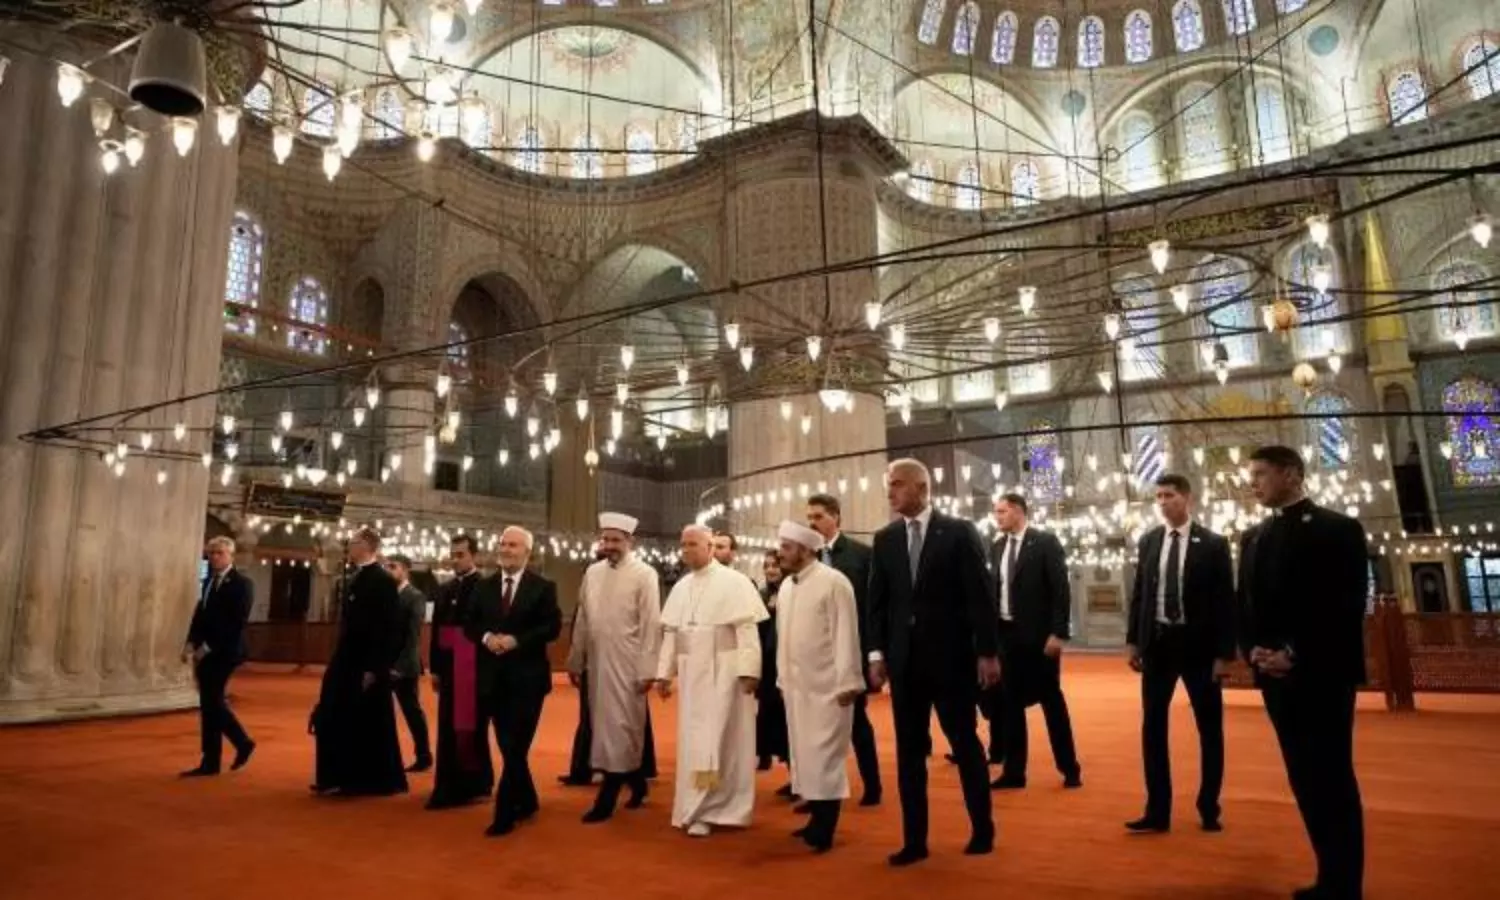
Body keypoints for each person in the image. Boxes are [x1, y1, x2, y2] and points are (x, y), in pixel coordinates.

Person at [1240, 446, 1368, 900]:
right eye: (1249, 475)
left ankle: (1345, 884)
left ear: (1292, 474)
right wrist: (1252, 648)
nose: (1251, 482)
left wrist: (1294, 652)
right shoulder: (1253, 537)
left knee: (1332, 775)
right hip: (1274, 678)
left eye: (1260, 474)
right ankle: (1327, 877)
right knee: (1303, 778)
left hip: (1321, 675)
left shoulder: (1338, 529)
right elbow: (1247, 605)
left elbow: (1344, 607)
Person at [867, 458, 1000, 867]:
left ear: (921, 488)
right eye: (889, 485)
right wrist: (876, 654)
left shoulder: (958, 532)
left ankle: (982, 829)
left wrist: (988, 652)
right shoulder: (885, 539)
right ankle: (914, 841)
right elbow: (877, 604)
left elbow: (980, 595)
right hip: (905, 665)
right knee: (909, 754)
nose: (889, 492)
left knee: (964, 743)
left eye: (896, 485)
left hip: (952, 660)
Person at [1125, 474, 1235, 834]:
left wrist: (1223, 654)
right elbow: (1140, 593)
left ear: (1186, 497)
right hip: (1158, 644)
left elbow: (1224, 603)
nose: (1162, 502)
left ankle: (1208, 806)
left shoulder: (1213, 544)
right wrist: (1134, 641)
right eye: (1158, 496)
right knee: (1152, 727)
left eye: (1169, 495)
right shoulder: (1149, 541)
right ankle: (1157, 810)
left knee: (1209, 729)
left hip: (1199, 648)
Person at [655, 524, 767, 838]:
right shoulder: (681, 586)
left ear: (709, 546)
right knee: (696, 744)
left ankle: (715, 808)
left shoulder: (735, 583)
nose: (686, 550)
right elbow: (672, 634)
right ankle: (695, 804)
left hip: (725, 675)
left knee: (719, 743)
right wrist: (664, 673)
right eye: (683, 544)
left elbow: (747, 632)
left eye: (692, 544)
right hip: (693, 678)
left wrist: (749, 671)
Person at [775, 521, 865, 853]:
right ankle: (815, 819)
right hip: (798, 687)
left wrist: (848, 681)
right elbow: (785, 639)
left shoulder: (834, 582)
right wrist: (782, 678)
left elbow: (846, 634)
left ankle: (825, 828)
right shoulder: (787, 587)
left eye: (786, 547)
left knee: (825, 756)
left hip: (829, 687)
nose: (780, 553)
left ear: (806, 549)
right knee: (805, 755)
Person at [466, 526, 562, 837]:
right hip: (491, 680)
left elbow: (552, 627)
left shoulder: (543, 587)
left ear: (527, 552)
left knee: (515, 745)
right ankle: (529, 799)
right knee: (510, 748)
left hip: (528, 682)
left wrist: (516, 640)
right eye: (503, 544)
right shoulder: (483, 587)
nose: (506, 550)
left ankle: (505, 814)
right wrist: (486, 637)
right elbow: (469, 624)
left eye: (513, 545)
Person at [568, 513, 662, 823]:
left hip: (628, 662)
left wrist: (648, 668)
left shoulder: (645, 573)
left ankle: (607, 798)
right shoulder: (592, 573)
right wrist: (576, 659)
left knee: (623, 726)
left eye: (615, 540)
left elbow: (651, 624)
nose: (609, 545)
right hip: (596, 661)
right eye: (605, 539)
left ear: (629, 542)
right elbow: (583, 619)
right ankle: (635, 782)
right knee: (603, 726)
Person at [990, 492, 1082, 791]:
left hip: (1041, 640)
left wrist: (1058, 633)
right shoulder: (996, 547)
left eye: (1002, 512)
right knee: (1010, 706)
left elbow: (1060, 590)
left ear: (1018, 511)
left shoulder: (1044, 542)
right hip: (1007, 637)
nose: (997, 517)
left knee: (1051, 702)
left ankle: (1069, 768)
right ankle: (1014, 772)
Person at [309, 527, 407, 797]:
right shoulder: (355, 577)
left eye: (352, 542)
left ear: (367, 545)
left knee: (364, 722)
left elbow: (389, 629)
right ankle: (336, 775)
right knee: (332, 712)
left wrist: (375, 668)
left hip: (366, 664)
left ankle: (365, 779)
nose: (348, 546)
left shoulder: (382, 581)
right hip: (346, 659)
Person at [806, 493, 882, 806]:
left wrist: (873, 653)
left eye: (819, 516)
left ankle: (872, 785)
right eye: (809, 518)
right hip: (815, 656)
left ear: (836, 517)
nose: (813, 523)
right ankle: (818, 791)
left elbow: (874, 607)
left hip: (852, 650)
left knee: (856, 722)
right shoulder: (805, 558)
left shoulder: (861, 556)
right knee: (816, 725)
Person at [426, 534, 493, 809]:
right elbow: (438, 632)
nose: (456, 560)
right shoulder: (445, 588)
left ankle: (471, 785)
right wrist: (436, 668)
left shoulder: (486, 587)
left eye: (461, 555)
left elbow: (487, 630)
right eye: (453, 554)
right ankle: (450, 783)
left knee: (468, 729)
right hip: (449, 666)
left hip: (471, 667)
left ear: (473, 556)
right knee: (447, 728)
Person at [180, 536, 255, 777]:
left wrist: (208, 647)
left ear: (231, 556)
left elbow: (235, 622)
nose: (214, 557)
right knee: (209, 704)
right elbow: (200, 615)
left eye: (220, 553)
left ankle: (241, 742)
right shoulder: (208, 582)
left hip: (227, 651)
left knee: (212, 702)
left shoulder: (242, 584)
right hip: (207, 650)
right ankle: (211, 761)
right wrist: (191, 642)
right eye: (211, 553)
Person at [384, 554, 432, 773]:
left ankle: (424, 755)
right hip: (384, 664)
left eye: (392, 567)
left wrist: (399, 667)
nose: (388, 570)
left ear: (405, 570)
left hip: (405, 666)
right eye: (387, 567)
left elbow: (413, 636)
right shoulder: (386, 594)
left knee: (412, 712)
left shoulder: (415, 596)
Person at [755, 549, 790, 775]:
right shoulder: (761, 594)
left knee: (788, 720)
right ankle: (767, 755)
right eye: (766, 566)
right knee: (768, 714)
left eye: (775, 565)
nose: (770, 570)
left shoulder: (791, 591)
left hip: (786, 663)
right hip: (767, 665)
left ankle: (796, 777)